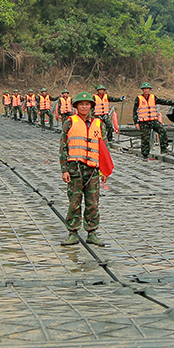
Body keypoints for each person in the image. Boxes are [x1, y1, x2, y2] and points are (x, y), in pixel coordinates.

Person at [59, 92, 105, 247]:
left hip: (93, 170)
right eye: (81, 104)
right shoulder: (69, 122)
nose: (84, 107)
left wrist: (104, 170)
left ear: (91, 106)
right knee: (74, 202)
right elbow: (63, 147)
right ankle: (72, 232)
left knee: (93, 203)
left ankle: (92, 232)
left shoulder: (98, 124)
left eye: (87, 104)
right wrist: (64, 169)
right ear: (76, 106)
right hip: (75, 170)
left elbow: (104, 149)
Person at [133, 82, 174, 160]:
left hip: (153, 120)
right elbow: (134, 111)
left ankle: (163, 148)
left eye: (147, 89)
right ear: (142, 90)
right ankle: (145, 155)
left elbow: (163, 101)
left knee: (162, 130)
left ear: (149, 90)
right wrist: (136, 122)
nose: (146, 90)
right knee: (145, 138)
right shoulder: (138, 99)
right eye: (144, 89)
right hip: (144, 122)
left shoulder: (153, 97)